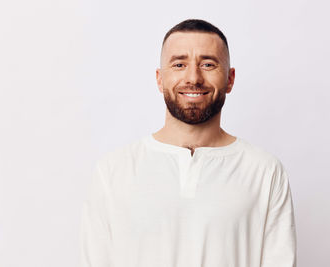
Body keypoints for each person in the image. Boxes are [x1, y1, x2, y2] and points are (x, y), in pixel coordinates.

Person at [79, 19, 297, 267]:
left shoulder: (265, 172)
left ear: (230, 78)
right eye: (179, 64)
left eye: (208, 64)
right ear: (160, 79)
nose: (193, 77)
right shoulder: (112, 172)